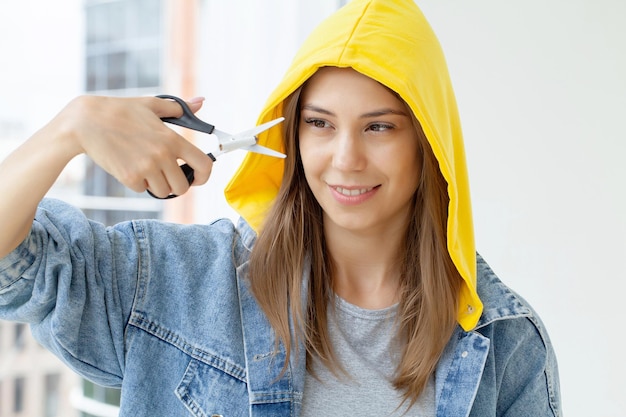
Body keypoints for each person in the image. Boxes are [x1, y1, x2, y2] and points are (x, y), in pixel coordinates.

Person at [0, 0, 561, 415]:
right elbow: (14, 270)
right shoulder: (180, 281)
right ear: (292, 136)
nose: (345, 159)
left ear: (430, 146)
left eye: (380, 127)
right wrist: (67, 130)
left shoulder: (506, 345)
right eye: (320, 123)